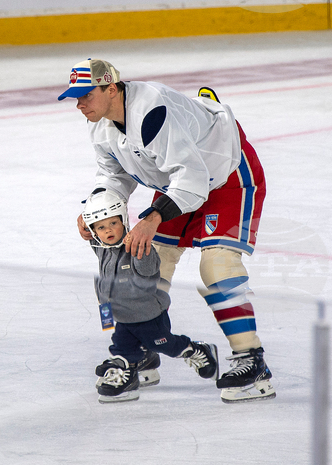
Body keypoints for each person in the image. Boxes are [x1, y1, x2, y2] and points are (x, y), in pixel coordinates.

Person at [61, 58, 275, 403]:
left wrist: (152, 218)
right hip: (179, 179)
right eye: (75, 97)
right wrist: (96, 211)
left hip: (227, 174)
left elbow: (192, 179)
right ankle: (140, 348)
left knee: (217, 266)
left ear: (111, 89)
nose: (79, 104)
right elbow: (113, 176)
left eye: (86, 94)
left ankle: (252, 359)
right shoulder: (101, 124)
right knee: (144, 259)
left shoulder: (152, 112)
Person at [83, 188, 218, 403]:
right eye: (101, 227)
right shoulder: (103, 249)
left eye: (113, 223)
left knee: (164, 345)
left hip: (149, 317)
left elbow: (150, 271)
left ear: (124, 221)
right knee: (121, 346)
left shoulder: (137, 246)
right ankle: (127, 374)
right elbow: (91, 238)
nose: (108, 230)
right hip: (122, 318)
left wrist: (141, 248)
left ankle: (196, 349)